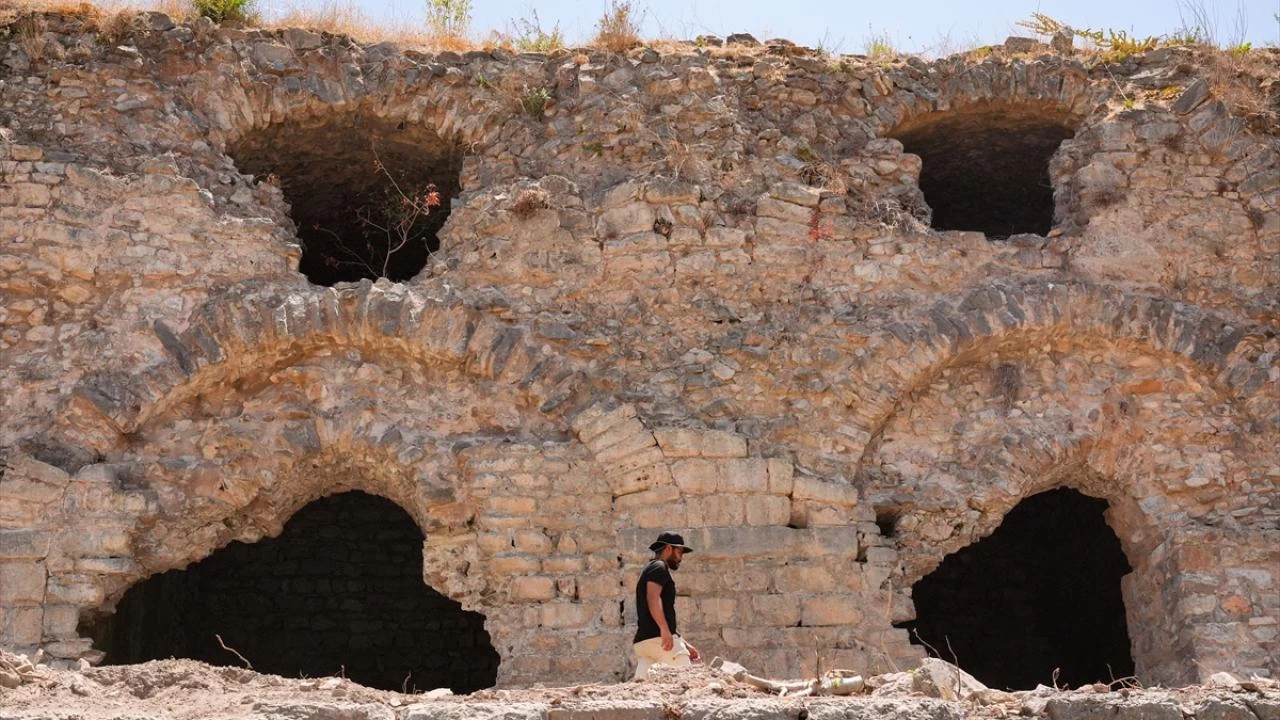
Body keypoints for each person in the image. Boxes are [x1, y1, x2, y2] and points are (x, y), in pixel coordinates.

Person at [632, 531, 700, 680]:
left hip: (645, 643)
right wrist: (664, 630)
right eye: (679, 552)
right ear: (669, 549)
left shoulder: (650, 568)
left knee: (641, 690)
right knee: (688, 681)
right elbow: (653, 598)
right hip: (659, 639)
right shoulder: (659, 567)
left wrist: (683, 642)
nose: (680, 558)